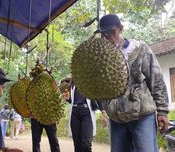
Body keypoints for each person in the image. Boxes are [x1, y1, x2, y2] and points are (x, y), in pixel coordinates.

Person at [97, 14, 169, 152]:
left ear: (121, 29)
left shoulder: (140, 49)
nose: (109, 38)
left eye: (112, 32)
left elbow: (157, 80)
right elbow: (100, 88)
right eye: (105, 35)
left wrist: (162, 111)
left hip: (142, 117)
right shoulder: (102, 57)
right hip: (116, 118)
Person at [61, 77, 107, 152]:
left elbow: (98, 97)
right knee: (77, 144)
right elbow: (73, 100)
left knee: (86, 144)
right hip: (75, 113)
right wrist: (67, 99)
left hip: (87, 113)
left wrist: (103, 112)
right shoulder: (72, 82)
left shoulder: (91, 81)